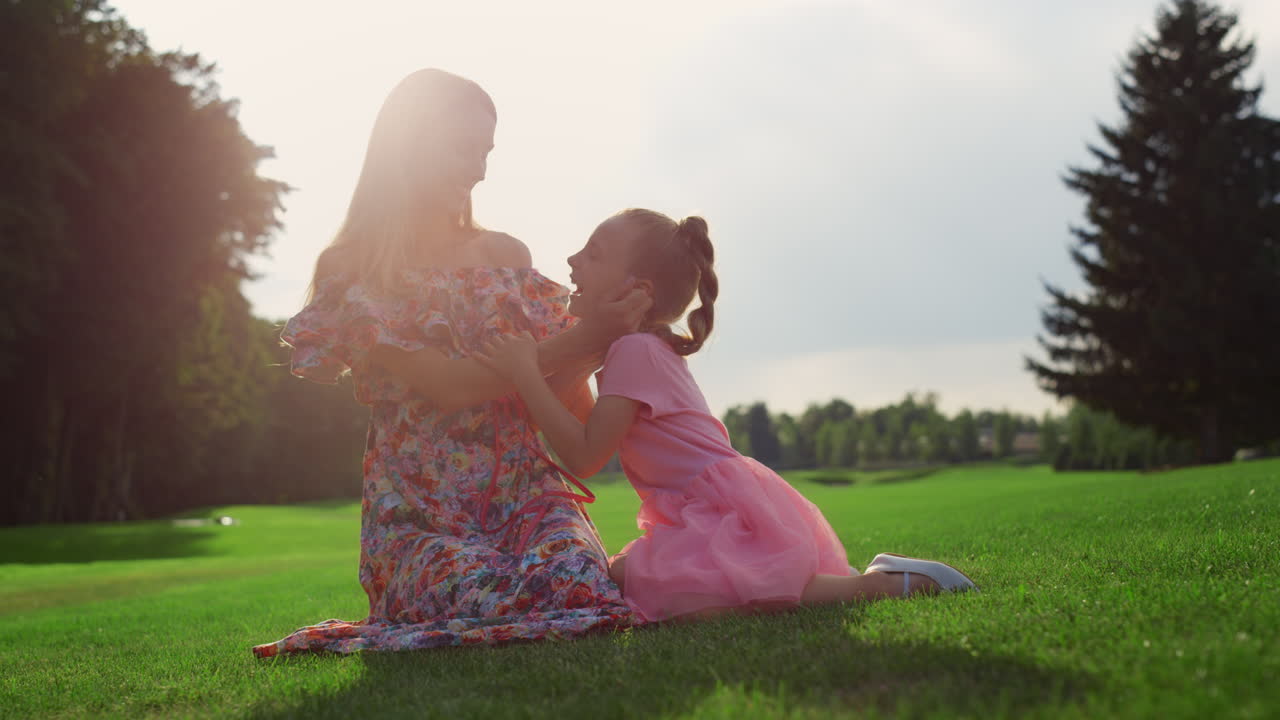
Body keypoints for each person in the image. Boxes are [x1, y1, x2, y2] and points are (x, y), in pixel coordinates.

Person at [252, 69, 649, 657]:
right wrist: (581, 338)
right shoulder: (358, 268)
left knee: (572, 581)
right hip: (421, 516)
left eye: (486, 151)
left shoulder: (506, 257)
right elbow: (450, 387)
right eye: (464, 148)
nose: (479, 169)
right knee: (475, 591)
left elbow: (566, 406)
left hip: (524, 501)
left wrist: (603, 343)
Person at [473, 208, 976, 623]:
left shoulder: (633, 352)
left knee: (708, 599)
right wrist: (557, 358)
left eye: (594, 253)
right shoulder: (638, 349)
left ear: (636, 288)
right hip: (710, 507)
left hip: (719, 512)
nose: (572, 260)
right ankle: (868, 581)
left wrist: (525, 371)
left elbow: (584, 455)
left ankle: (885, 585)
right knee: (638, 580)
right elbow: (575, 422)